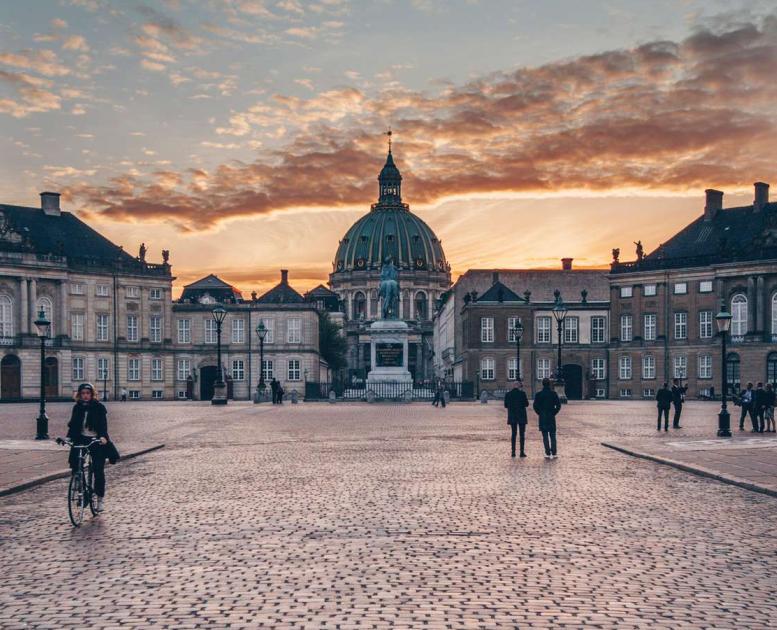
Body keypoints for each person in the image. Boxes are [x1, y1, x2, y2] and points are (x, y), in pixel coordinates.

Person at [66, 383, 118, 513]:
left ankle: (100, 498)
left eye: (87, 393)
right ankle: (79, 482)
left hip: (96, 439)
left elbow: (103, 424)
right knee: (75, 460)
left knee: (98, 469)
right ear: (79, 395)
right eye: (83, 393)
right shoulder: (77, 407)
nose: (85, 396)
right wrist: (68, 438)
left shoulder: (99, 407)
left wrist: (103, 437)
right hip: (81, 438)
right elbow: (73, 425)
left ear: (92, 394)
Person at [533, 378, 561, 459]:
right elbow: (558, 406)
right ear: (549, 384)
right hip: (551, 416)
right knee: (553, 435)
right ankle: (554, 452)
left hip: (543, 417)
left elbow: (535, 406)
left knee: (545, 436)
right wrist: (554, 413)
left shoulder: (538, 394)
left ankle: (547, 452)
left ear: (542, 384)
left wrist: (540, 413)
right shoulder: (553, 394)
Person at [504, 380, 529, 457]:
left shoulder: (508, 394)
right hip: (521, 416)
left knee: (513, 434)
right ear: (518, 386)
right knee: (522, 435)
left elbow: (505, 405)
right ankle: (521, 452)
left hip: (512, 416)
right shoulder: (522, 394)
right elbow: (527, 404)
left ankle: (513, 452)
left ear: (513, 386)